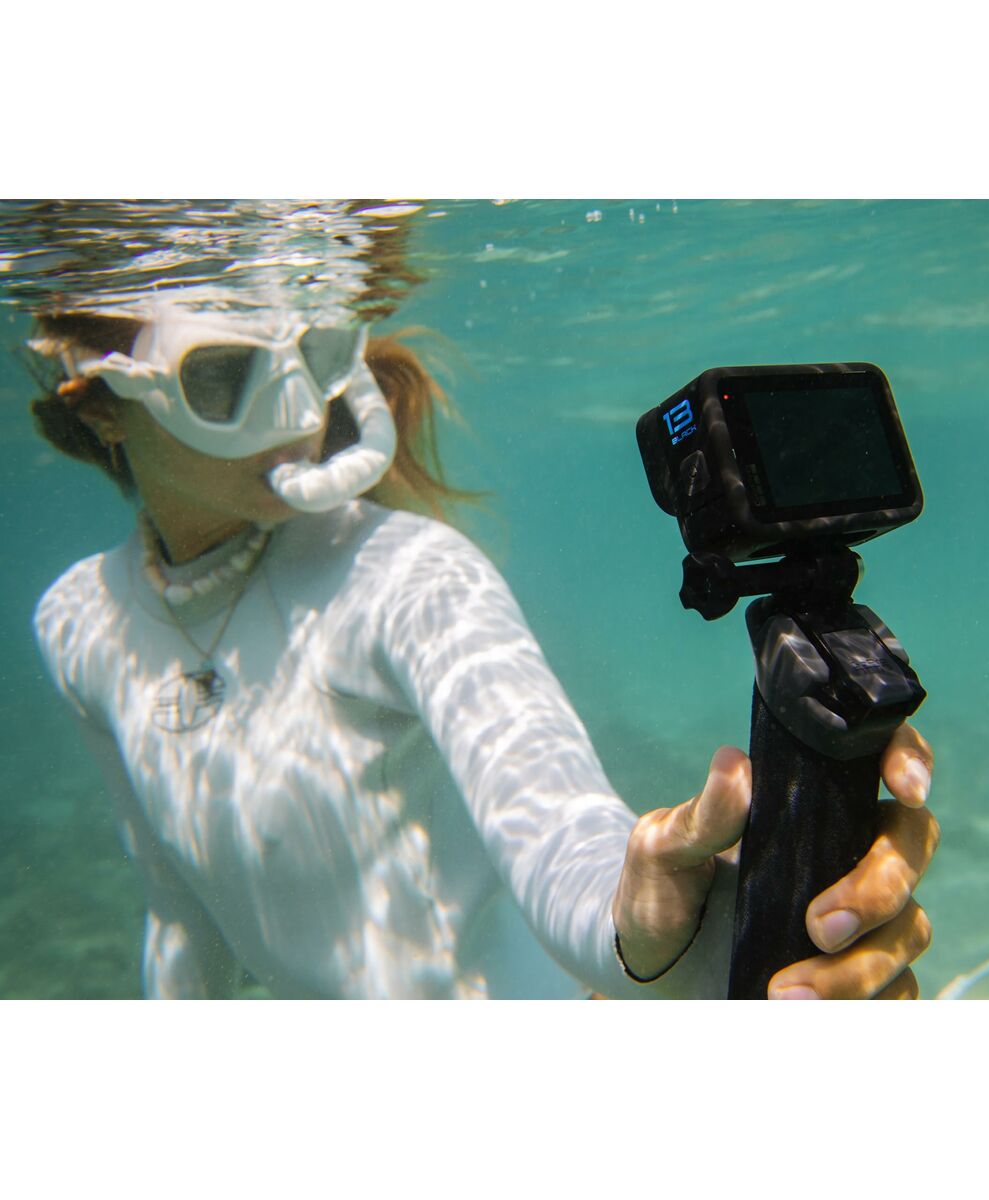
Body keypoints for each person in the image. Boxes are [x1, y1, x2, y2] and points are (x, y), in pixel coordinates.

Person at [27, 290, 939, 999]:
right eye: (222, 377)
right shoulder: (77, 621)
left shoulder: (406, 574)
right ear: (101, 402)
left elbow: (559, 828)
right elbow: (179, 912)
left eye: (315, 353)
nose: (296, 414)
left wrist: (667, 923)